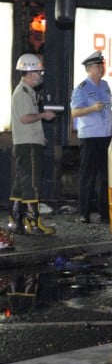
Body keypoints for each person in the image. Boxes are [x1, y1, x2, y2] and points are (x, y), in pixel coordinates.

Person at [8, 53, 57, 235]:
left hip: (27, 142)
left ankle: (15, 218)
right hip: (27, 145)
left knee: (21, 183)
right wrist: (44, 115)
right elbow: (25, 118)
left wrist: (39, 135)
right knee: (32, 182)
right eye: (38, 72)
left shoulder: (27, 92)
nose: (40, 75)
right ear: (29, 72)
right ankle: (34, 222)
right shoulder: (23, 93)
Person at [70, 51, 112, 224]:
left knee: (105, 176)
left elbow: (109, 108)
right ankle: (85, 213)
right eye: (97, 66)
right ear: (89, 69)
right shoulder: (81, 89)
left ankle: (104, 212)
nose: (101, 69)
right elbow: (74, 112)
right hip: (90, 137)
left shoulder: (105, 85)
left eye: (101, 66)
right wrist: (91, 109)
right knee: (88, 175)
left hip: (105, 135)